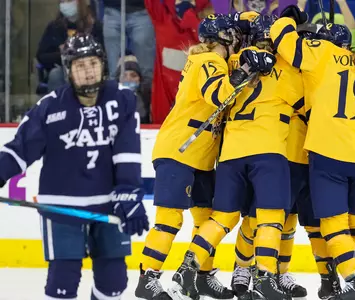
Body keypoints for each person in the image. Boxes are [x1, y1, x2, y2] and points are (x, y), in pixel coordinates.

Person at [0, 33, 148, 300]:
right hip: (61, 206)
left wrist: (129, 194)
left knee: (114, 282)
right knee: (63, 282)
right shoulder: (50, 107)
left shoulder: (123, 100)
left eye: (92, 63)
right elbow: (19, 150)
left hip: (108, 203)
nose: (88, 72)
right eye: (80, 66)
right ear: (69, 71)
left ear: (103, 64)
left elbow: (127, 154)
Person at [170, 14, 304, 300]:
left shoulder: (231, 61)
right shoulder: (289, 71)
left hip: (230, 155)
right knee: (269, 218)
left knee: (222, 218)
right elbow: (310, 108)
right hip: (268, 152)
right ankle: (264, 279)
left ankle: (187, 266)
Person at [271, 5, 355, 299]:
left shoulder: (320, 53)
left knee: (333, 224)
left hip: (328, 153)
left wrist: (288, 18)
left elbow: (282, 40)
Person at [134, 13, 246, 300]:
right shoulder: (209, 61)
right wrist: (244, 71)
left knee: (205, 217)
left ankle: (202, 277)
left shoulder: (210, 61)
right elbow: (219, 95)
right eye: (233, 35)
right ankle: (148, 279)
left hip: (199, 156)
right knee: (169, 220)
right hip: (179, 152)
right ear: (223, 38)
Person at [227, 14, 307, 300]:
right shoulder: (248, 62)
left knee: (288, 221)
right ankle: (243, 267)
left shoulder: (295, 66)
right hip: (267, 150)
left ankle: (278, 273)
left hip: (297, 153)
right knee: (253, 216)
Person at [146, 0, 215, 124]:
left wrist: (189, 17)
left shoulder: (206, 23)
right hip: (166, 95)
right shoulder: (162, 18)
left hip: (195, 96)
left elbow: (209, 42)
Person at [36, 0, 104, 92]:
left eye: (69, 1)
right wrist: (61, 53)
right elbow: (41, 56)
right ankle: (59, 105)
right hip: (62, 70)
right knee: (55, 74)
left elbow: (103, 54)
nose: (65, 4)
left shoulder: (94, 26)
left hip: (87, 68)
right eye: (62, 1)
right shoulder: (54, 27)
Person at [102, 0, 155, 82]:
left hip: (141, 10)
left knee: (147, 74)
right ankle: (116, 93)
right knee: (114, 72)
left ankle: (146, 93)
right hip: (111, 10)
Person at [115, 55, 151, 123]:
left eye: (133, 75)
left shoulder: (147, 98)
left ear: (140, 79)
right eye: (124, 75)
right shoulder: (109, 98)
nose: (128, 79)